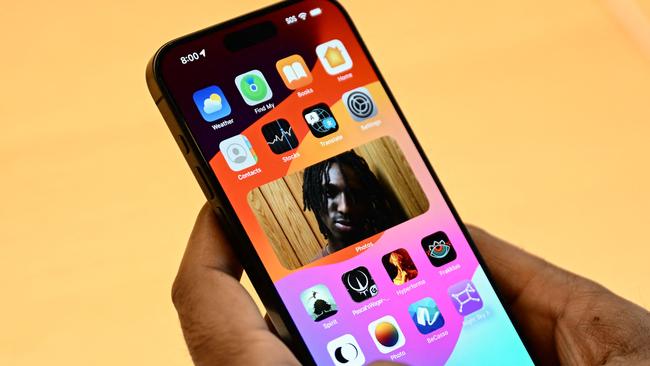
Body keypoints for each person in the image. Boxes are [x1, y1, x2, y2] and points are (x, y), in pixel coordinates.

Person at [172, 203, 650, 365]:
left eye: (352, 193)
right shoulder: (308, 281)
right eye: (331, 194)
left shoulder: (404, 252)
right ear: (317, 206)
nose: (343, 206)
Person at [302, 150, 397, 258]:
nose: (345, 208)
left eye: (355, 194)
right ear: (314, 198)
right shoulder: (314, 272)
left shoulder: (393, 251)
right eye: (329, 193)